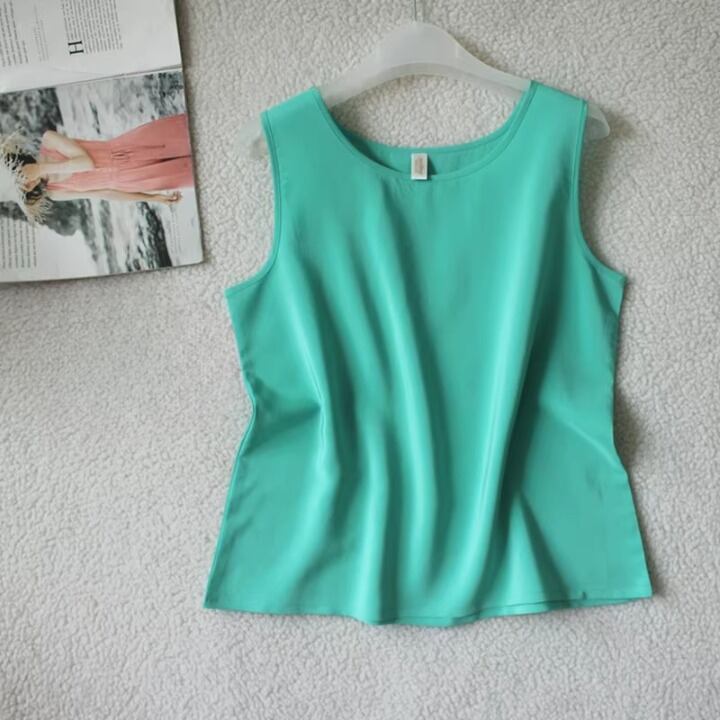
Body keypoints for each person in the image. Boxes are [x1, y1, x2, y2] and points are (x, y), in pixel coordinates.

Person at [0, 113, 195, 225]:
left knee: (193, 133)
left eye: (20, 178)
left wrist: (42, 169)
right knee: (194, 172)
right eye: (23, 190)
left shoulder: (49, 141)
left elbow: (86, 163)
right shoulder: (55, 193)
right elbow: (106, 193)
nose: (27, 185)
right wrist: (153, 198)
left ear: (19, 164)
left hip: (134, 147)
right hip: (135, 181)